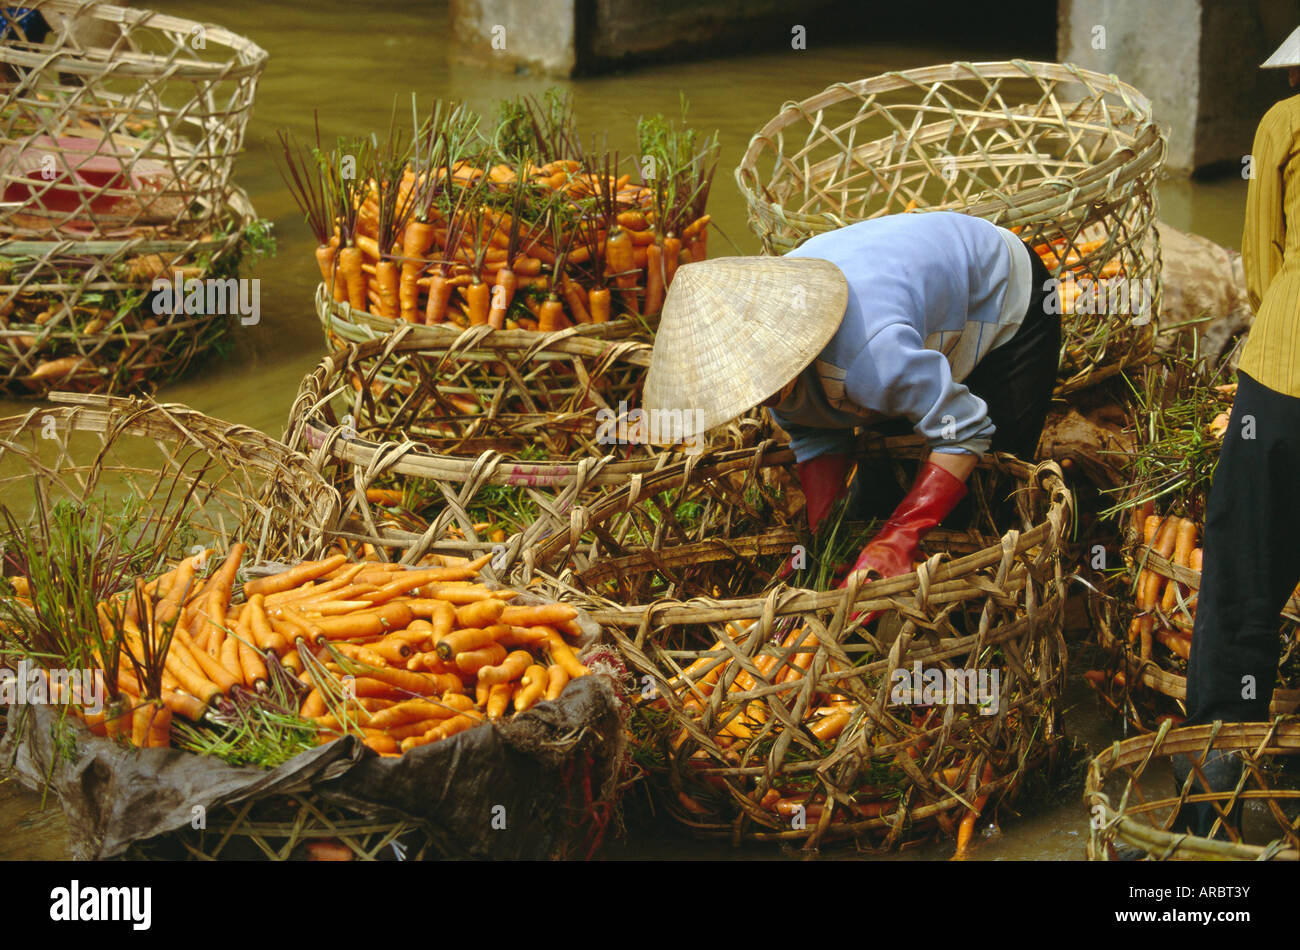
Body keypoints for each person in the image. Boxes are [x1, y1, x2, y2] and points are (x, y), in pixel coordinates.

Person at [642, 210, 1060, 588]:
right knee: (874, 501)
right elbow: (815, 434)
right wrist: (826, 538)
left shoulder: (872, 359)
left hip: (1004, 293)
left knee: (983, 495)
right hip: (901, 309)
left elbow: (963, 432)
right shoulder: (774, 351)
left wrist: (901, 537)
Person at [1175, 26, 1300, 835]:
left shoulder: (1284, 124)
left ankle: (1216, 801)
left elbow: (1262, 260)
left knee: (1244, 581)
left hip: (1287, 373)